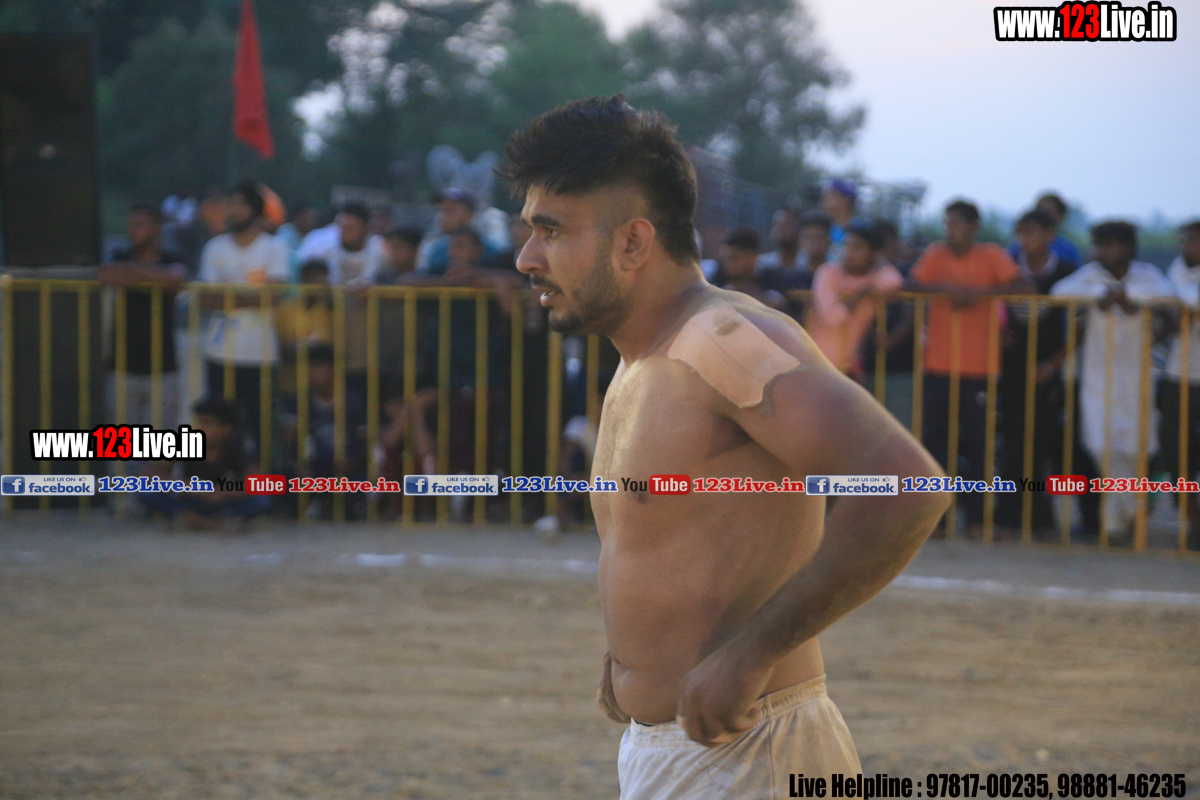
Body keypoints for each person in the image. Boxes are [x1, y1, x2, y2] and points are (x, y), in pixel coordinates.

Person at [503, 95, 949, 797]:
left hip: (751, 753)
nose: (527, 257)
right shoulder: (648, 356)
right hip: (683, 750)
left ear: (633, 243)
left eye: (551, 231)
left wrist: (752, 654)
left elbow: (907, 487)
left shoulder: (725, 343)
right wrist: (636, 662)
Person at [908, 199, 1034, 535]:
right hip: (937, 365)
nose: (950, 229)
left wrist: (978, 293)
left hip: (980, 367)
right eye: (947, 223)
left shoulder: (991, 255)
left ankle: (977, 518)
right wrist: (947, 289)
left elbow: (1025, 286)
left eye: (957, 223)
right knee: (935, 444)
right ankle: (936, 518)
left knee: (980, 446)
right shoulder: (935, 254)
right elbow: (910, 284)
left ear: (974, 227)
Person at [1050, 221, 1175, 541]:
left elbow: (1167, 294)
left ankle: (1118, 522)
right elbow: (1058, 292)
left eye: (1108, 245)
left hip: (1136, 378)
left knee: (1135, 448)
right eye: (1099, 245)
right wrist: (1101, 295)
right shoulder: (1091, 276)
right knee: (1099, 445)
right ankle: (1128, 514)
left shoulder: (1146, 275)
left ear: (1128, 247)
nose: (1101, 252)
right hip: (1097, 377)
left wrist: (1128, 296)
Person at [996, 209, 1078, 535]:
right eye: (1020, 232)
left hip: (1049, 369)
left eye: (1030, 232)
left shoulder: (1068, 273)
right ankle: (1007, 514)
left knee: (1043, 443)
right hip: (1012, 368)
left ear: (1049, 235)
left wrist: (1053, 364)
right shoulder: (1007, 268)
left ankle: (1040, 516)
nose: (1023, 239)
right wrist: (998, 332)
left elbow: (1078, 325)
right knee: (1012, 440)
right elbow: (995, 309)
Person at [198, 181, 289, 451]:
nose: (235, 210)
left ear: (256, 210)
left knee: (263, 428)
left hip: (260, 354)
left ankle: (262, 476)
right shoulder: (215, 247)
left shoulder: (274, 247)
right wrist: (253, 297)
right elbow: (205, 299)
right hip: (219, 353)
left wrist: (227, 298)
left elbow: (274, 296)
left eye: (242, 204)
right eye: (232, 204)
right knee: (221, 429)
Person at [97, 203, 188, 429]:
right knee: (121, 442)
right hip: (121, 365)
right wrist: (153, 277)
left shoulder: (170, 256)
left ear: (157, 228)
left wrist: (133, 273)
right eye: (130, 225)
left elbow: (177, 278)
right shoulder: (120, 255)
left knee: (159, 441)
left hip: (162, 367)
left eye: (139, 225)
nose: (132, 230)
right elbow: (103, 274)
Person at [139, 396, 272, 531]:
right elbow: (149, 473)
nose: (199, 428)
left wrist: (223, 492)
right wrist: (185, 485)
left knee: (262, 499)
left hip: (222, 502)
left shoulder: (237, 445)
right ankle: (204, 521)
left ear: (225, 428)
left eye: (206, 423)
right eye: (199, 422)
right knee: (145, 491)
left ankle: (197, 521)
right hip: (190, 500)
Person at [805, 219, 903, 378]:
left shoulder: (874, 277)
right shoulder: (828, 272)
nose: (848, 252)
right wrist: (860, 294)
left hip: (847, 367)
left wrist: (876, 264)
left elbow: (894, 281)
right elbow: (833, 317)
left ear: (872, 253)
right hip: (815, 364)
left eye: (856, 247)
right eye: (845, 245)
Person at [1159, 220, 1200, 541]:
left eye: (1194, 240)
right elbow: (1187, 300)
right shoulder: (1175, 273)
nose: (1187, 246)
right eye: (1185, 240)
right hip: (1179, 376)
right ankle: (1193, 522)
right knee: (1177, 454)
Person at [858, 219, 917, 427]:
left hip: (901, 366)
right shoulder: (864, 273)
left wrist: (890, 340)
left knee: (900, 427)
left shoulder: (907, 271)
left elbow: (912, 313)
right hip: (867, 364)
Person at [416, 188, 503, 275]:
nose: (441, 216)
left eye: (450, 211)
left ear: (469, 214)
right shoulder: (435, 247)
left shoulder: (492, 249)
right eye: (440, 210)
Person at [709, 226, 788, 311]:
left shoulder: (776, 279)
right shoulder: (719, 276)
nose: (727, 264)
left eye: (734, 258)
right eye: (724, 259)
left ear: (753, 256)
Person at [1007, 192, 1083, 266]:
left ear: (1061, 216)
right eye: (1040, 209)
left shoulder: (1068, 252)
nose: (1043, 214)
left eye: (1048, 211)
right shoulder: (1016, 250)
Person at [820, 179, 857, 263]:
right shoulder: (826, 228)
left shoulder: (860, 228)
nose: (825, 197)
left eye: (831, 194)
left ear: (845, 199)